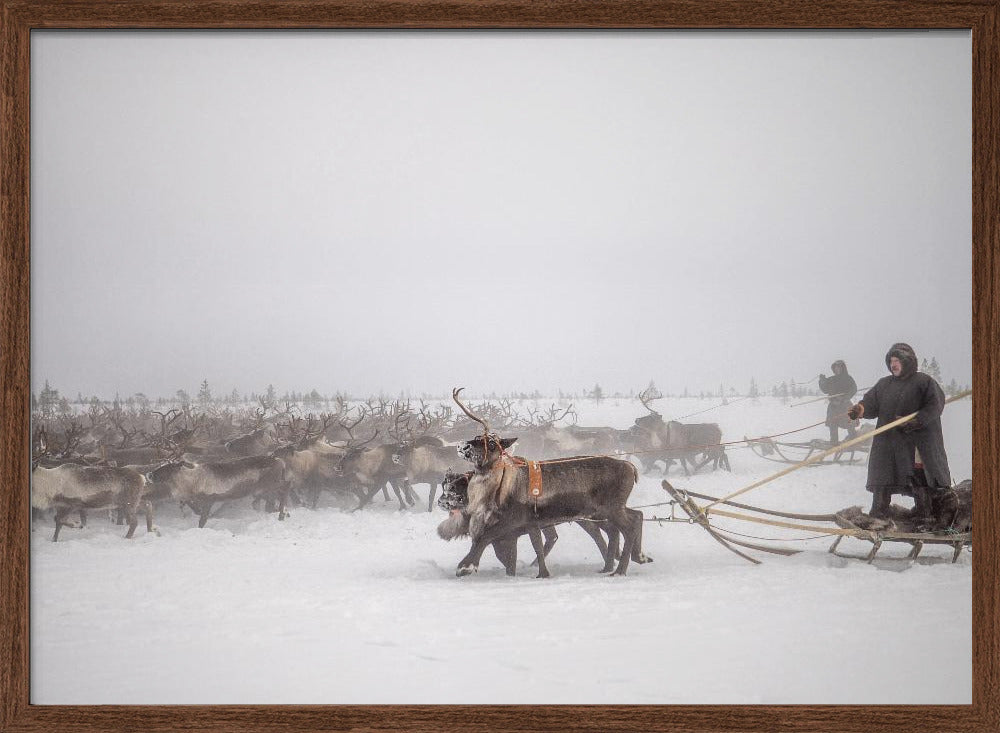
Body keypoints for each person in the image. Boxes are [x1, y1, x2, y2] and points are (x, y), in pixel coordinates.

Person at [846, 343, 952, 522]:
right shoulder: (884, 384)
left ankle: (924, 514)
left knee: (918, 474)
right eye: (891, 361)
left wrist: (917, 421)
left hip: (916, 440)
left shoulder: (924, 382)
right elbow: (870, 403)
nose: (893, 364)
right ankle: (879, 511)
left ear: (908, 362)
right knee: (882, 471)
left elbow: (935, 405)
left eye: (897, 361)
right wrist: (860, 410)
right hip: (888, 440)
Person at [818, 360, 857, 445]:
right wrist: (822, 381)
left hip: (845, 405)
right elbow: (825, 389)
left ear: (843, 368)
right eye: (835, 367)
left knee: (850, 422)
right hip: (833, 406)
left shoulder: (848, 378)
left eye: (839, 367)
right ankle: (834, 442)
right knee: (833, 424)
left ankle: (854, 440)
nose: (837, 369)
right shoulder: (832, 379)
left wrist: (844, 398)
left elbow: (853, 389)